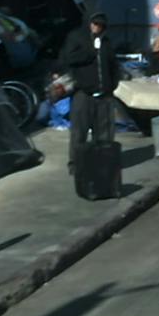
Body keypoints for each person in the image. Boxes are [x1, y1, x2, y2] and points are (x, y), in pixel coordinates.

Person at [57, 13, 120, 200]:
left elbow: (113, 64)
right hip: (83, 93)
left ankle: (104, 163)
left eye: (101, 26)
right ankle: (76, 165)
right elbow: (68, 58)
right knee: (79, 132)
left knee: (105, 132)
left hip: (104, 94)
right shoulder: (77, 37)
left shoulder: (106, 42)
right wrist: (91, 51)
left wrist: (112, 85)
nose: (97, 28)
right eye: (95, 24)